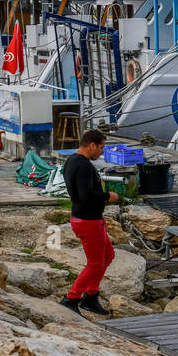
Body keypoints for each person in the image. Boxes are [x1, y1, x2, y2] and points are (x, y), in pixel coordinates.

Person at [58, 129, 119, 316]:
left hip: (89, 219)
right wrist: (107, 196)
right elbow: (85, 196)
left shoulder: (72, 161)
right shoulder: (83, 165)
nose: (102, 152)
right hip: (88, 221)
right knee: (95, 264)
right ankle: (72, 298)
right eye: (101, 147)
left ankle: (91, 297)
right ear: (91, 145)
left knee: (108, 256)